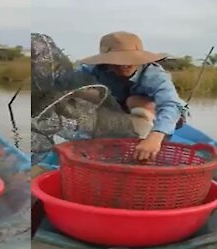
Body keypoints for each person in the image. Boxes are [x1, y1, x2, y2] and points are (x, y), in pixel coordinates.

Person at [77, 31, 188, 161]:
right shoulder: (94, 70)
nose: (124, 65)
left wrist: (155, 137)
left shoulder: (154, 75)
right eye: (117, 61)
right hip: (120, 110)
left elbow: (170, 104)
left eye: (130, 60)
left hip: (162, 116)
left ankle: (144, 143)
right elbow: (66, 83)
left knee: (134, 100)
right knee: (87, 95)